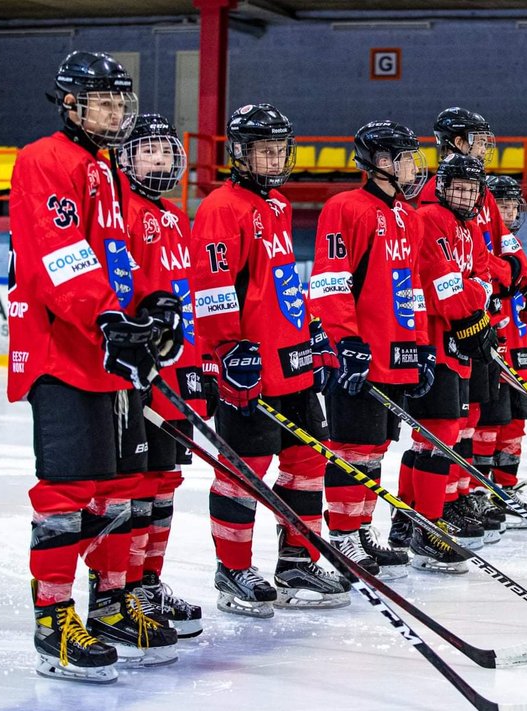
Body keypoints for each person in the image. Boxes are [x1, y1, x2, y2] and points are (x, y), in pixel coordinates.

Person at [11, 50, 178, 683]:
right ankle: (52, 622)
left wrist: (148, 306)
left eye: (119, 102)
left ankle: (109, 605)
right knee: (67, 493)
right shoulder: (45, 160)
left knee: (118, 489)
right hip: (63, 351)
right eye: (102, 101)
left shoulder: (104, 169)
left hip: (108, 353)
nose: (114, 111)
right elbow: (60, 255)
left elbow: (115, 256)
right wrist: (110, 320)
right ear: (72, 104)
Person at [188, 103, 348, 617]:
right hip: (250, 369)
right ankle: (232, 569)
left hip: (293, 362)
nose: (274, 158)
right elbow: (213, 286)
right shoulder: (221, 206)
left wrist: (310, 327)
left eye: (279, 148)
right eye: (263, 150)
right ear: (239, 153)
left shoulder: (277, 204)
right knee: (244, 470)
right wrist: (228, 348)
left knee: (307, 461)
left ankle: (296, 560)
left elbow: (276, 283)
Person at [309, 120, 429, 580]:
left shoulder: (409, 216)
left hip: (395, 353)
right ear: (381, 163)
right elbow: (330, 281)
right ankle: (340, 536)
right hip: (360, 354)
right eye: (404, 158)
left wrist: (419, 347)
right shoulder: (345, 208)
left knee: (375, 449)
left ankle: (359, 528)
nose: (412, 166)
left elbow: (411, 289)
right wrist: (346, 341)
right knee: (351, 448)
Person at [114, 113, 204, 639]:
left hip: (175, 370)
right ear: (126, 157)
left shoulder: (175, 216)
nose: (159, 159)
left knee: (166, 482)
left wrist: (199, 365)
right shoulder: (118, 209)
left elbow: (185, 296)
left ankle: (149, 581)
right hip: (137, 371)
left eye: (165, 151)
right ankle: (123, 588)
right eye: (147, 150)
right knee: (135, 483)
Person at [405, 153, 499, 570]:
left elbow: (483, 278)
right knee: (437, 433)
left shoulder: (471, 227)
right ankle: (427, 527)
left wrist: (473, 306)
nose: (463, 194)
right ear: (441, 187)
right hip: (433, 340)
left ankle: (412, 520)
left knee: (447, 431)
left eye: (471, 188)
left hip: (457, 340)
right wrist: (470, 310)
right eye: (456, 186)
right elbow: (441, 283)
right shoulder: (430, 219)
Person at [476, 174, 527, 530]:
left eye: (511, 204)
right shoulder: (480, 237)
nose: (507, 210)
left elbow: (524, 295)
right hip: (489, 344)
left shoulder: (511, 243)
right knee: (489, 423)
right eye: (501, 203)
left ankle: (504, 489)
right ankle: (478, 491)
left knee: (515, 423)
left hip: (515, 347)